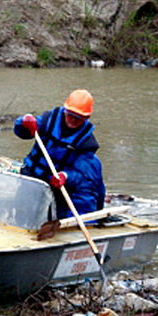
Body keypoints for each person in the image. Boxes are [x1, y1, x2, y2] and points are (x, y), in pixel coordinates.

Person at [14, 89, 105, 219]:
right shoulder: (48, 121)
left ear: (86, 118)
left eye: (78, 118)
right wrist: (23, 123)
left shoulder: (87, 143)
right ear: (65, 111)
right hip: (32, 177)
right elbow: (22, 132)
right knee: (21, 213)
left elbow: (80, 175)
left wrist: (66, 176)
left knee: (57, 216)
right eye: (70, 115)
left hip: (58, 185)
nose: (73, 120)